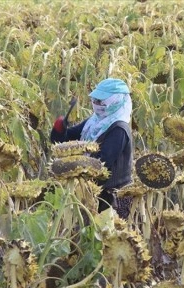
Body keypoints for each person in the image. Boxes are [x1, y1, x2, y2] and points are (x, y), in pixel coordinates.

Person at [50, 78, 134, 219]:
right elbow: (66, 141)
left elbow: (101, 163)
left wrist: (71, 168)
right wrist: (60, 129)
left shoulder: (119, 129)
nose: (96, 105)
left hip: (112, 198)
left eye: (101, 101)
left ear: (116, 101)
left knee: (107, 237)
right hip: (91, 191)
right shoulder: (94, 121)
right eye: (94, 100)